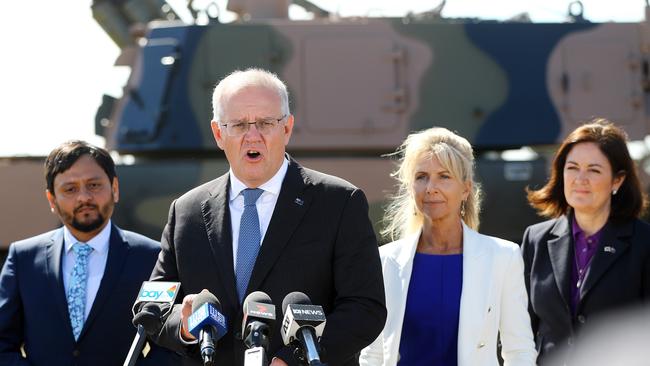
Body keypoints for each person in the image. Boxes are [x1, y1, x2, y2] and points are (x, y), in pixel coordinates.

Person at [149, 68, 386, 366]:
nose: (253, 136)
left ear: (287, 128)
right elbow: (156, 309)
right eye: (238, 124)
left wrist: (295, 358)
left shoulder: (339, 202)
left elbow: (365, 308)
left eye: (265, 123)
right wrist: (183, 327)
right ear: (219, 133)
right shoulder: (186, 211)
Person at [359, 127, 536, 366]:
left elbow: (519, 352)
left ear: (466, 189)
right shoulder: (386, 260)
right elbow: (373, 355)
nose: (430, 187)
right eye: (421, 177)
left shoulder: (503, 257)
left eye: (444, 176)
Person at [0, 140, 178, 365]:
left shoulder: (152, 258)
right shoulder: (23, 259)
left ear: (114, 188)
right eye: (70, 189)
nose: (83, 197)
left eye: (94, 185)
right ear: (52, 200)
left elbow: (169, 346)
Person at [522, 119, 650, 365]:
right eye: (572, 167)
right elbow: (520, 329)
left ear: (617, 181)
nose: (580, 178)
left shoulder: (644, 243)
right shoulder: (535, 240)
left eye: (594, 170)